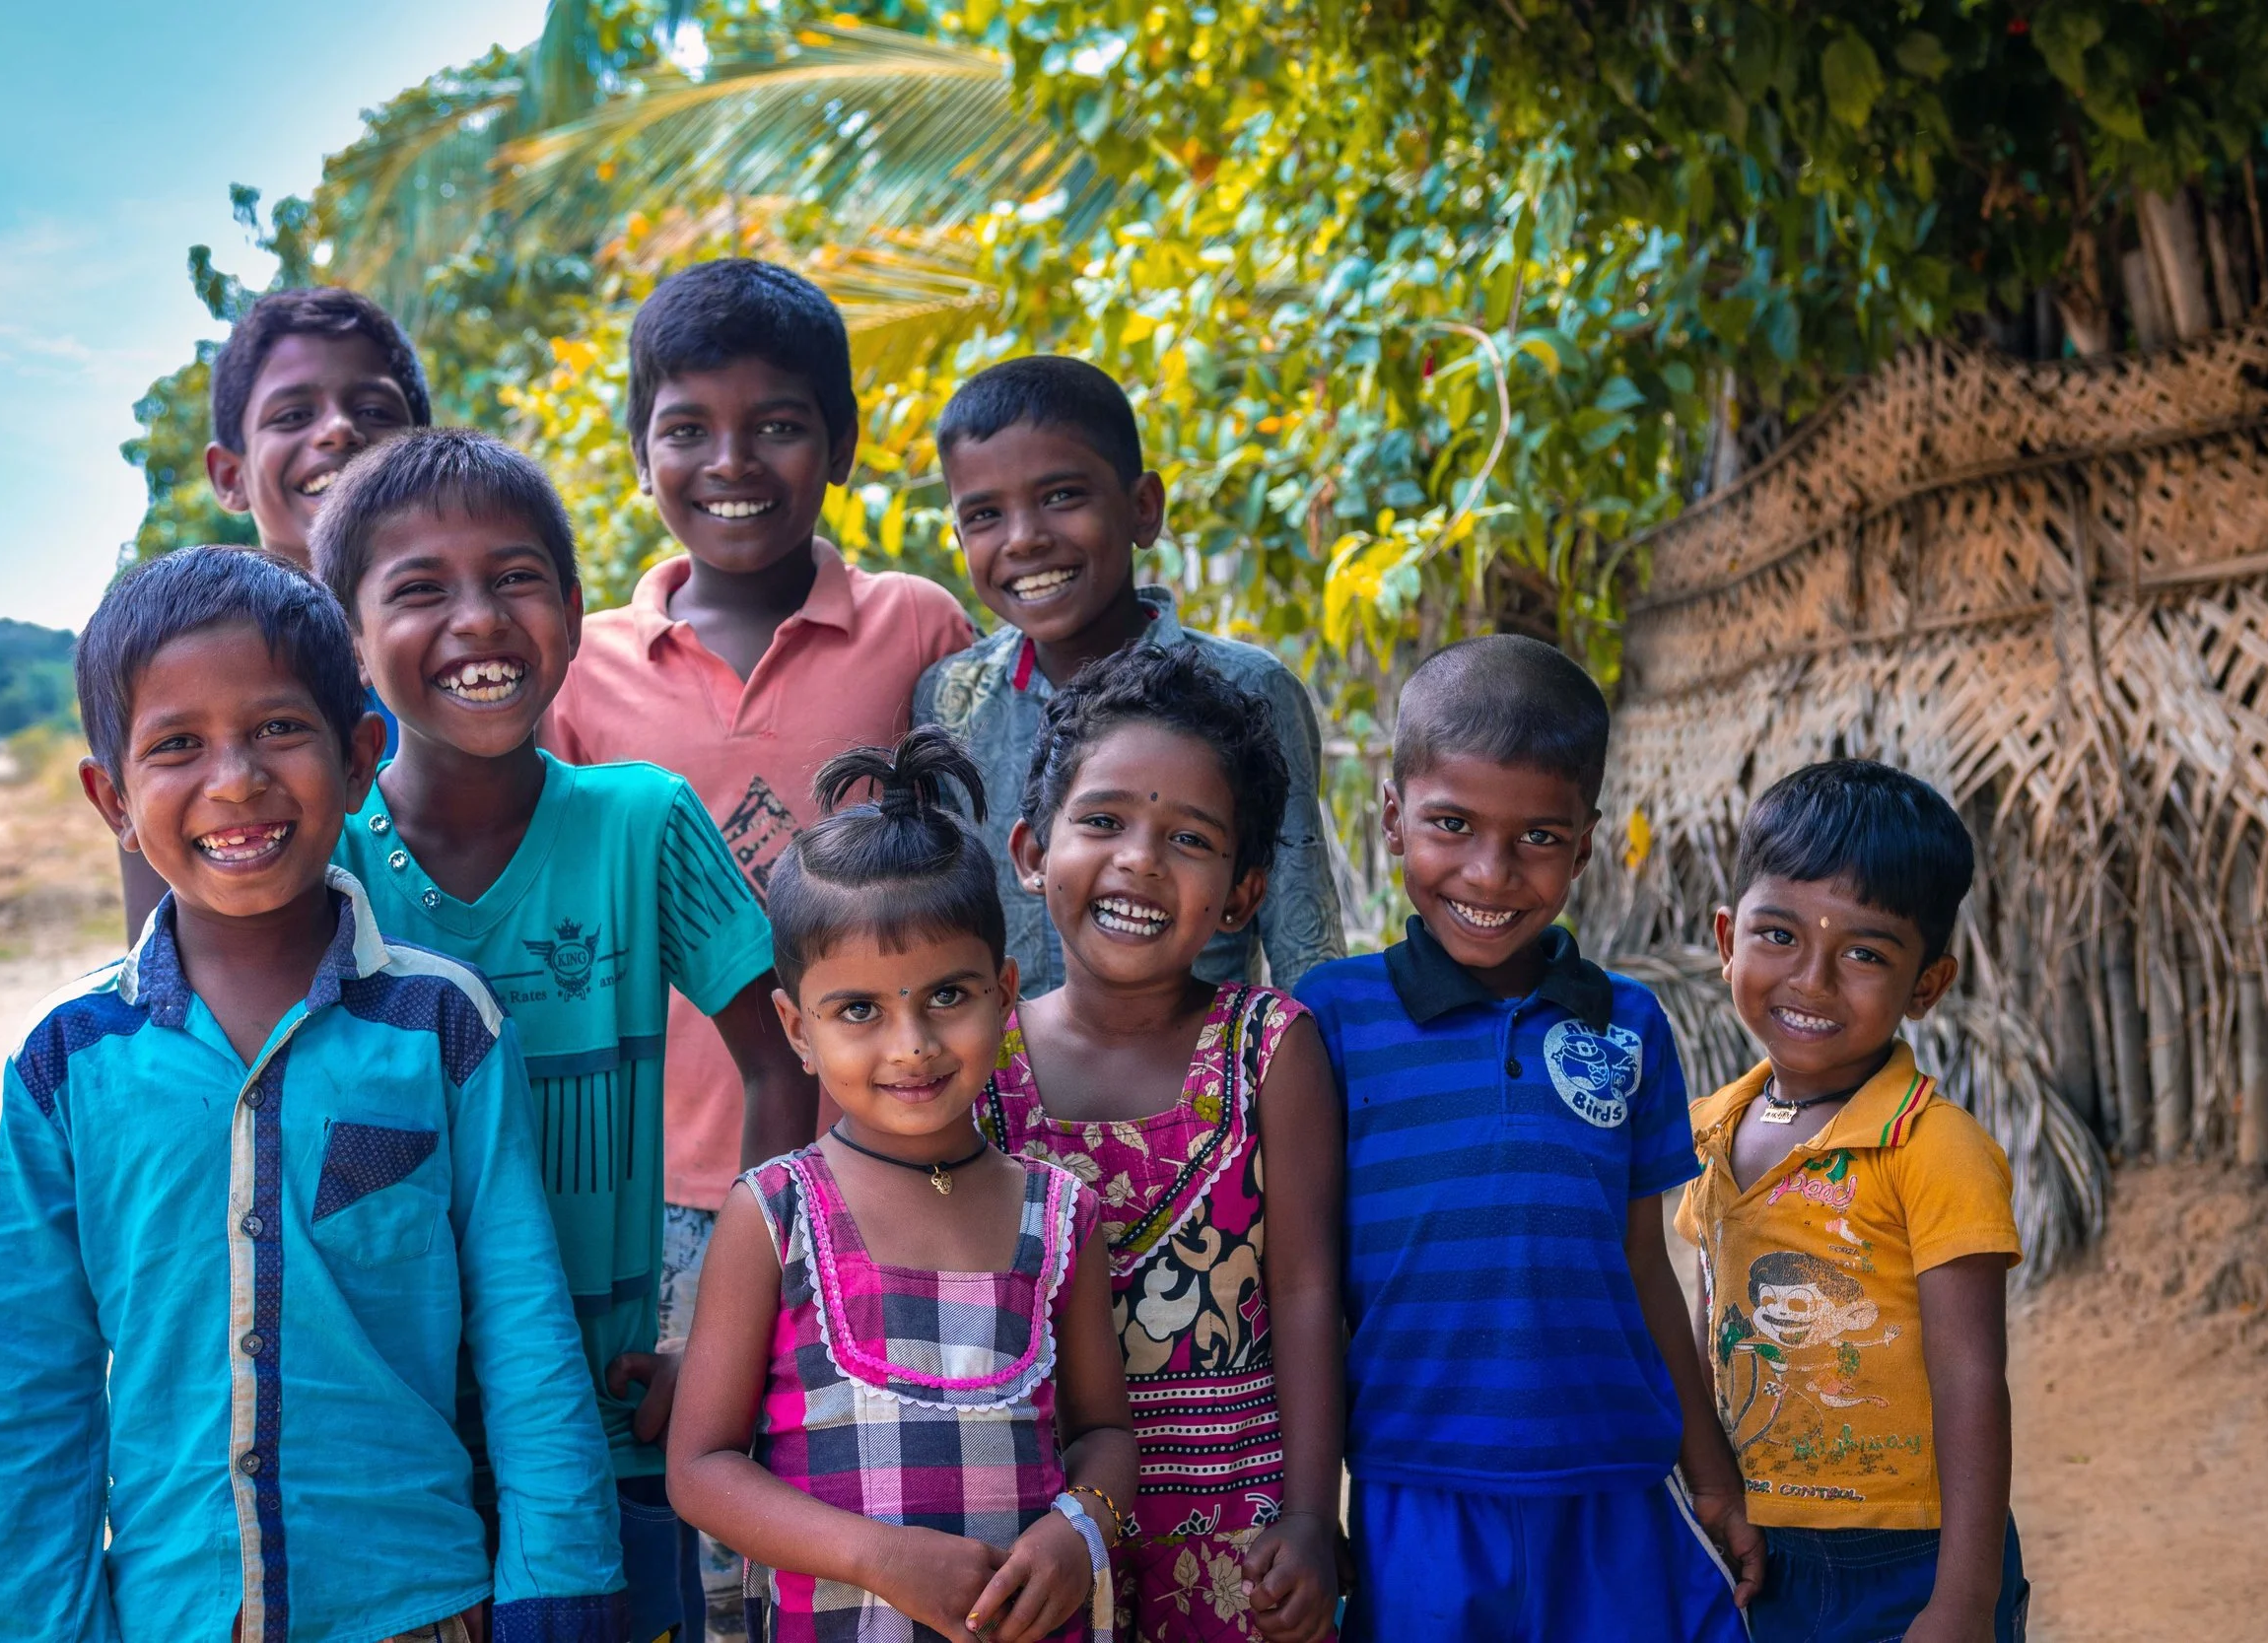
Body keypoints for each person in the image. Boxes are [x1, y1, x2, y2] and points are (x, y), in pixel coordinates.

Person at [0, 547, 621, 1642]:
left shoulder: (442, 1027)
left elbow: (520, 1326)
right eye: (176, 745)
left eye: (277, 729)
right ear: (111, 798)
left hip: (420, 1604)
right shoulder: (70, 1060)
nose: (235, 779)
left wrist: (560, 1582)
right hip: (175, 1612)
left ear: (357, 760)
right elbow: (27, 1380)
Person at [309, 427, 822, 1642]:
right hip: (387, 1432)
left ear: (578, 608)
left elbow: (781, 1056)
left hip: (604, 1419)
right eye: (420, 589)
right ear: (347, 638)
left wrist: (714, 1337)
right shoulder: (320, 861)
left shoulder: (639, 822)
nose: (477, 619)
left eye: (516, 576)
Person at [540, 260, 973, 1440]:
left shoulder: (918, 626)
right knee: (681, 1483)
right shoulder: (579, 664)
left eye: (776, 426)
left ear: (839, 445)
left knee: (865, 1459)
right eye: (687, 428)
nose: (730, 462)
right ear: (640, 451)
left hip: (887, 1153)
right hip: (653, 1185)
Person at [1292, 635, 1762, 1643]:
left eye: (1537, 837)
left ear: (1586, 842)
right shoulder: (1329, 1019)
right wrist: (1305, 1504)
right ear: (1390, 819)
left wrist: (1709, 1464)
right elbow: (1307, 1281)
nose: (1490, 871)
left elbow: (1644, 1259)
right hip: (1414, 1486)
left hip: (1614, 1481)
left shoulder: (1626, 1024)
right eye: (1450, 824)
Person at [665, 728, 1137, 1643]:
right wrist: (878, 1557)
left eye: (947, 997)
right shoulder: (772, 1215)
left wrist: (1078, 1533)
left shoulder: (1060, 1213)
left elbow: (1105, 1435)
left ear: (1004, 992)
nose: (912, 1043)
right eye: (858, 1011)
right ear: (796, 1029)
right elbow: (701, 1468)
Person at [977, 646, 1342, 1642]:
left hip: (1237, 1523)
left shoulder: (1269, 1049)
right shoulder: (975, 1061)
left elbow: (1309, 1288)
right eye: (1101, 821)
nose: (1139, 858)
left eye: (1189, 837)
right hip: (1033, 1522)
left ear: (1242, 892)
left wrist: (1313, 1515)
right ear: (1028, 851)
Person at [1680, 760, 2027, 1643]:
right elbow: (1707, 1319)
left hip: (1907, 1558)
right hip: (1756, 1542)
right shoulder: (1711, 1129)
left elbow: (1970, 1377)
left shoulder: (1932, 1148)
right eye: (1779, 935)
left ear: (1927, 984)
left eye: (1864, 952)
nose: (1813, 979)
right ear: (1727, 937)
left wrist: (1962, 1601)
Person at [912, 356, 1342, 995]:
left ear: (1143, 508)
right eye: (985, 516)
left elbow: (1306, 946)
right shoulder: (952, 698)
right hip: (1011, 1085)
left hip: (1206, 1082)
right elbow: (942, 929)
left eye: (1061, 497)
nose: (1024, 539)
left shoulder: (1249, 689)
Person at [120, 287, 435, 936]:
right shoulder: (175, 671)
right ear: (230, 474)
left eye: (374, 408)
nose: (339, 429)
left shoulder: (487, 653)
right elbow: (161, 970)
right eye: (292, 415)